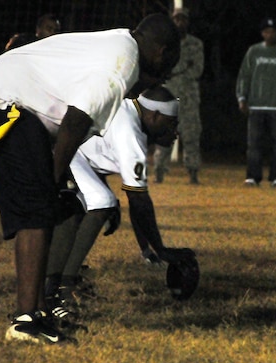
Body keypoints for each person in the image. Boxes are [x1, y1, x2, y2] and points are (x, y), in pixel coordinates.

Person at [0, 13, 180, 344]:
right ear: (163, 51)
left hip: (9, 100)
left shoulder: (122, 43)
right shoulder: (121, 65)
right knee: (38, 208)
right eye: (170, 64)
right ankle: (26, 321)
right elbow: (75, 122)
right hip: (2, 102)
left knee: (47, 208)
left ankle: (38, 312)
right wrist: (51, 182)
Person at [44, 86, 183, 322]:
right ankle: (60, 289)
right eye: (171, 123)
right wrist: (160, 249)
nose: (175, 131)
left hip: (69, 149)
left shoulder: (129, 113)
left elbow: (136, 197)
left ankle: (61, 284)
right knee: (96, 202)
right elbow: (139, 201)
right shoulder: (130, 132)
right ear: (155, 116)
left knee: (93, 202)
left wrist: (146, 249)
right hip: (58, 147)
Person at [236, 17, 276, 188]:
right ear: (262, 33)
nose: (270, 34)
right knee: (254, 145)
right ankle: (253, 177)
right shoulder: (254, 51)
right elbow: (244, 76)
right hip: (255, 106)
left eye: (273, 31)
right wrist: (242, 98)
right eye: (267, 31)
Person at [153, 8, 204, 184]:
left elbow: (197, 69)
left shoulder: (195, 44)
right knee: (164, 135)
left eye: (183, 19)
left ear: (187, 22)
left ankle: (193, 172)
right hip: (167, 96)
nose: (179, 23)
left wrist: (174, 71)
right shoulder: (164, 44)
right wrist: (182, 68)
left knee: (191, 135)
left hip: (189, 98)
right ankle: (159, 171)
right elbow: (160, 68)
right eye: (176, 19)